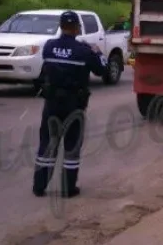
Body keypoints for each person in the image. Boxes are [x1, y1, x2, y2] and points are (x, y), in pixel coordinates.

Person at [32, 11, 107, 198]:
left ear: (60, 26)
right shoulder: (84, 51)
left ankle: (39, 186)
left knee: (48, 143)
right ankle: (68, 188)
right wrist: (98, 53)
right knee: (71, 146)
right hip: (74, 104)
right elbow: (102, 70)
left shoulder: (49, 46)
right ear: (77, 28)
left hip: (52, 104)